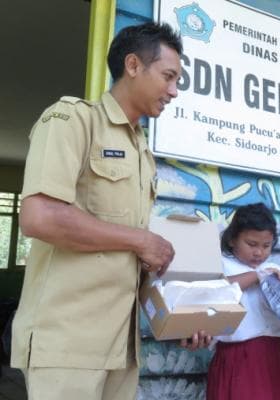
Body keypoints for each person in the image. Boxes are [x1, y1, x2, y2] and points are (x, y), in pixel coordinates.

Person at [10, 22, 181, 400]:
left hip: (121, 348)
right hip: (69, 344)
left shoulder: (143, 153)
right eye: (168, 76)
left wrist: (181, 319)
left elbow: (128, 257)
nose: (174, 91)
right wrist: (141, 239)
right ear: (133, 65)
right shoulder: (73, 120)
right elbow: (39, 217)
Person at [205, 202, 280, 400]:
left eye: (266, 246)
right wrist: (257, 276)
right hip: (238, 356)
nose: (259, 252)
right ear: (232, 240)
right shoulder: (222, 264)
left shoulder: (274, 268)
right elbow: (214, 291)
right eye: (252, 244)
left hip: (277, 353)